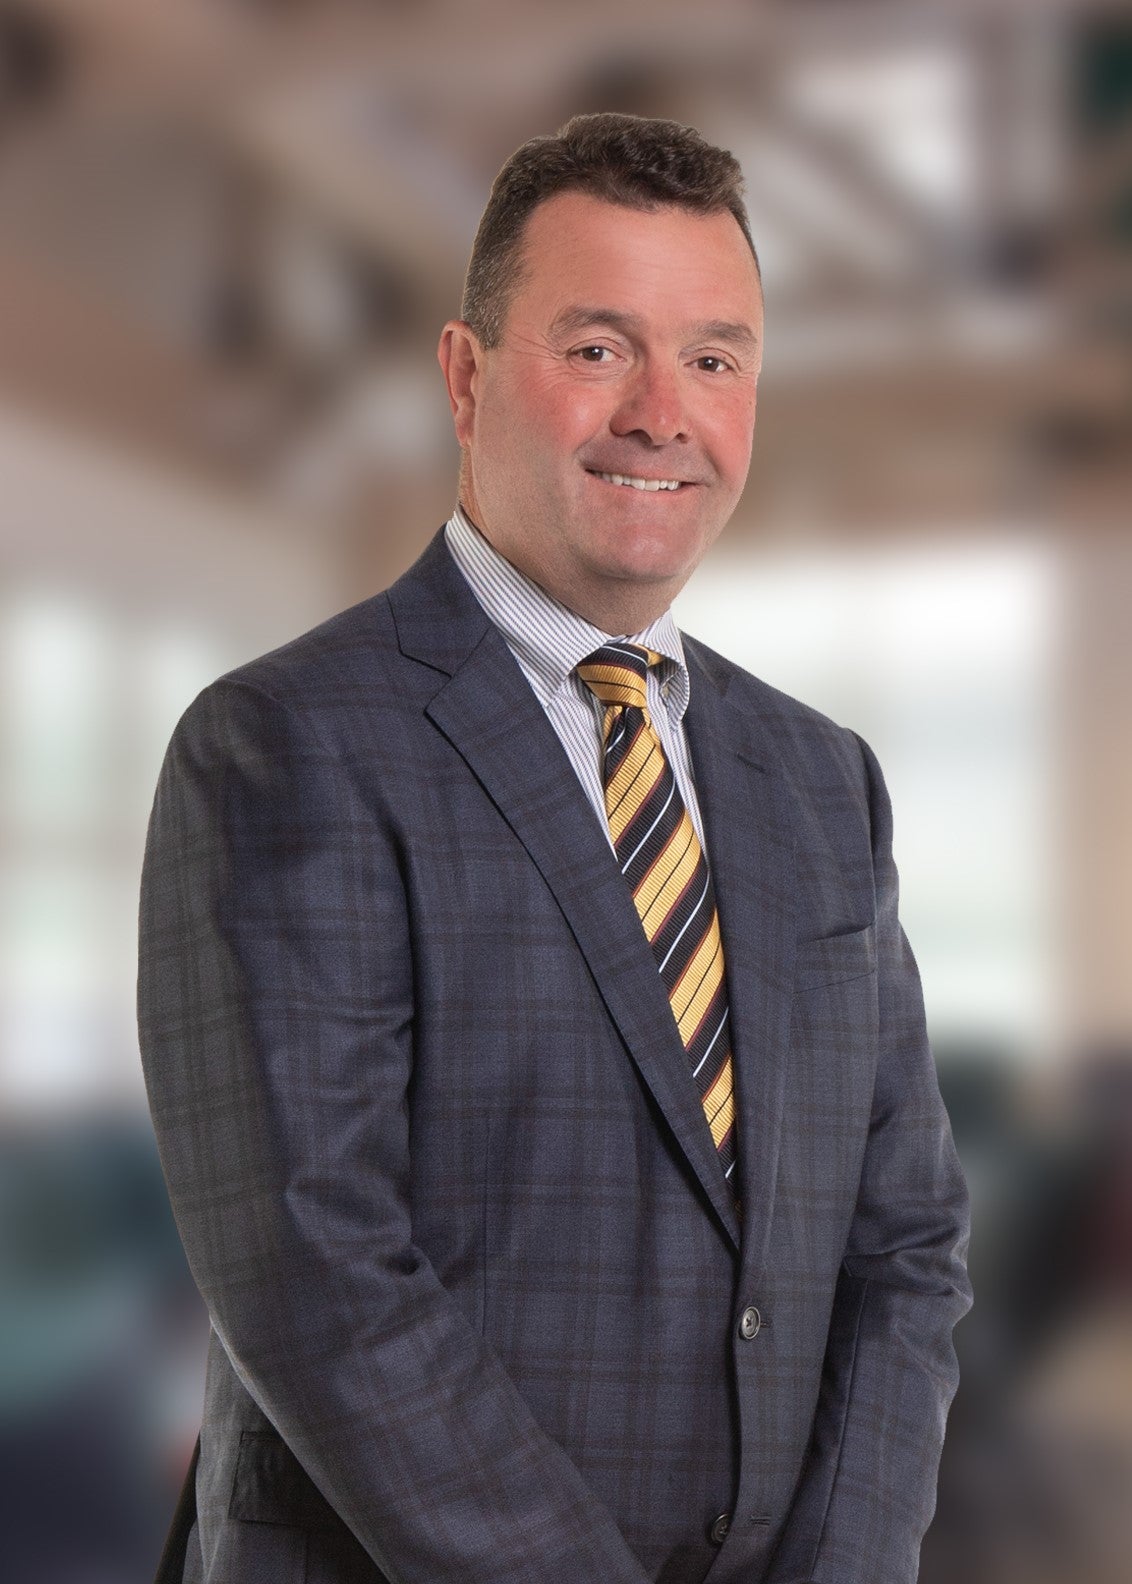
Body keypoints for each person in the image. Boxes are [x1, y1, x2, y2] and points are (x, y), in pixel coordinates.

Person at [139, 112, 972, 1584]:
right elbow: (312, 1271)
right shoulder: (283, 745)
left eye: (714, 359)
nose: (663, 412)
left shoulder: (822, 780)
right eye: (599, 347)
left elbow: (903, 1246)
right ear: (465, 379)